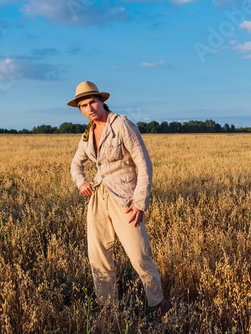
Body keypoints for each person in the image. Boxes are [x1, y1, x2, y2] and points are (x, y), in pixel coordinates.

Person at [68, 81, 171, 316]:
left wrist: (140, 201)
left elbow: (143, 163)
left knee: (139, 254)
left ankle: (160, 306)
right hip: (98, 196)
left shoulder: (121, 124)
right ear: (81, 109)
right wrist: (81, 182)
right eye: (84, 105)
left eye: (92, 102)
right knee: (99, 255)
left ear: (101, 101)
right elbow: (76, 163)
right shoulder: (87, 132)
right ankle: (108, 308)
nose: (90, 108)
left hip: (125, 198)